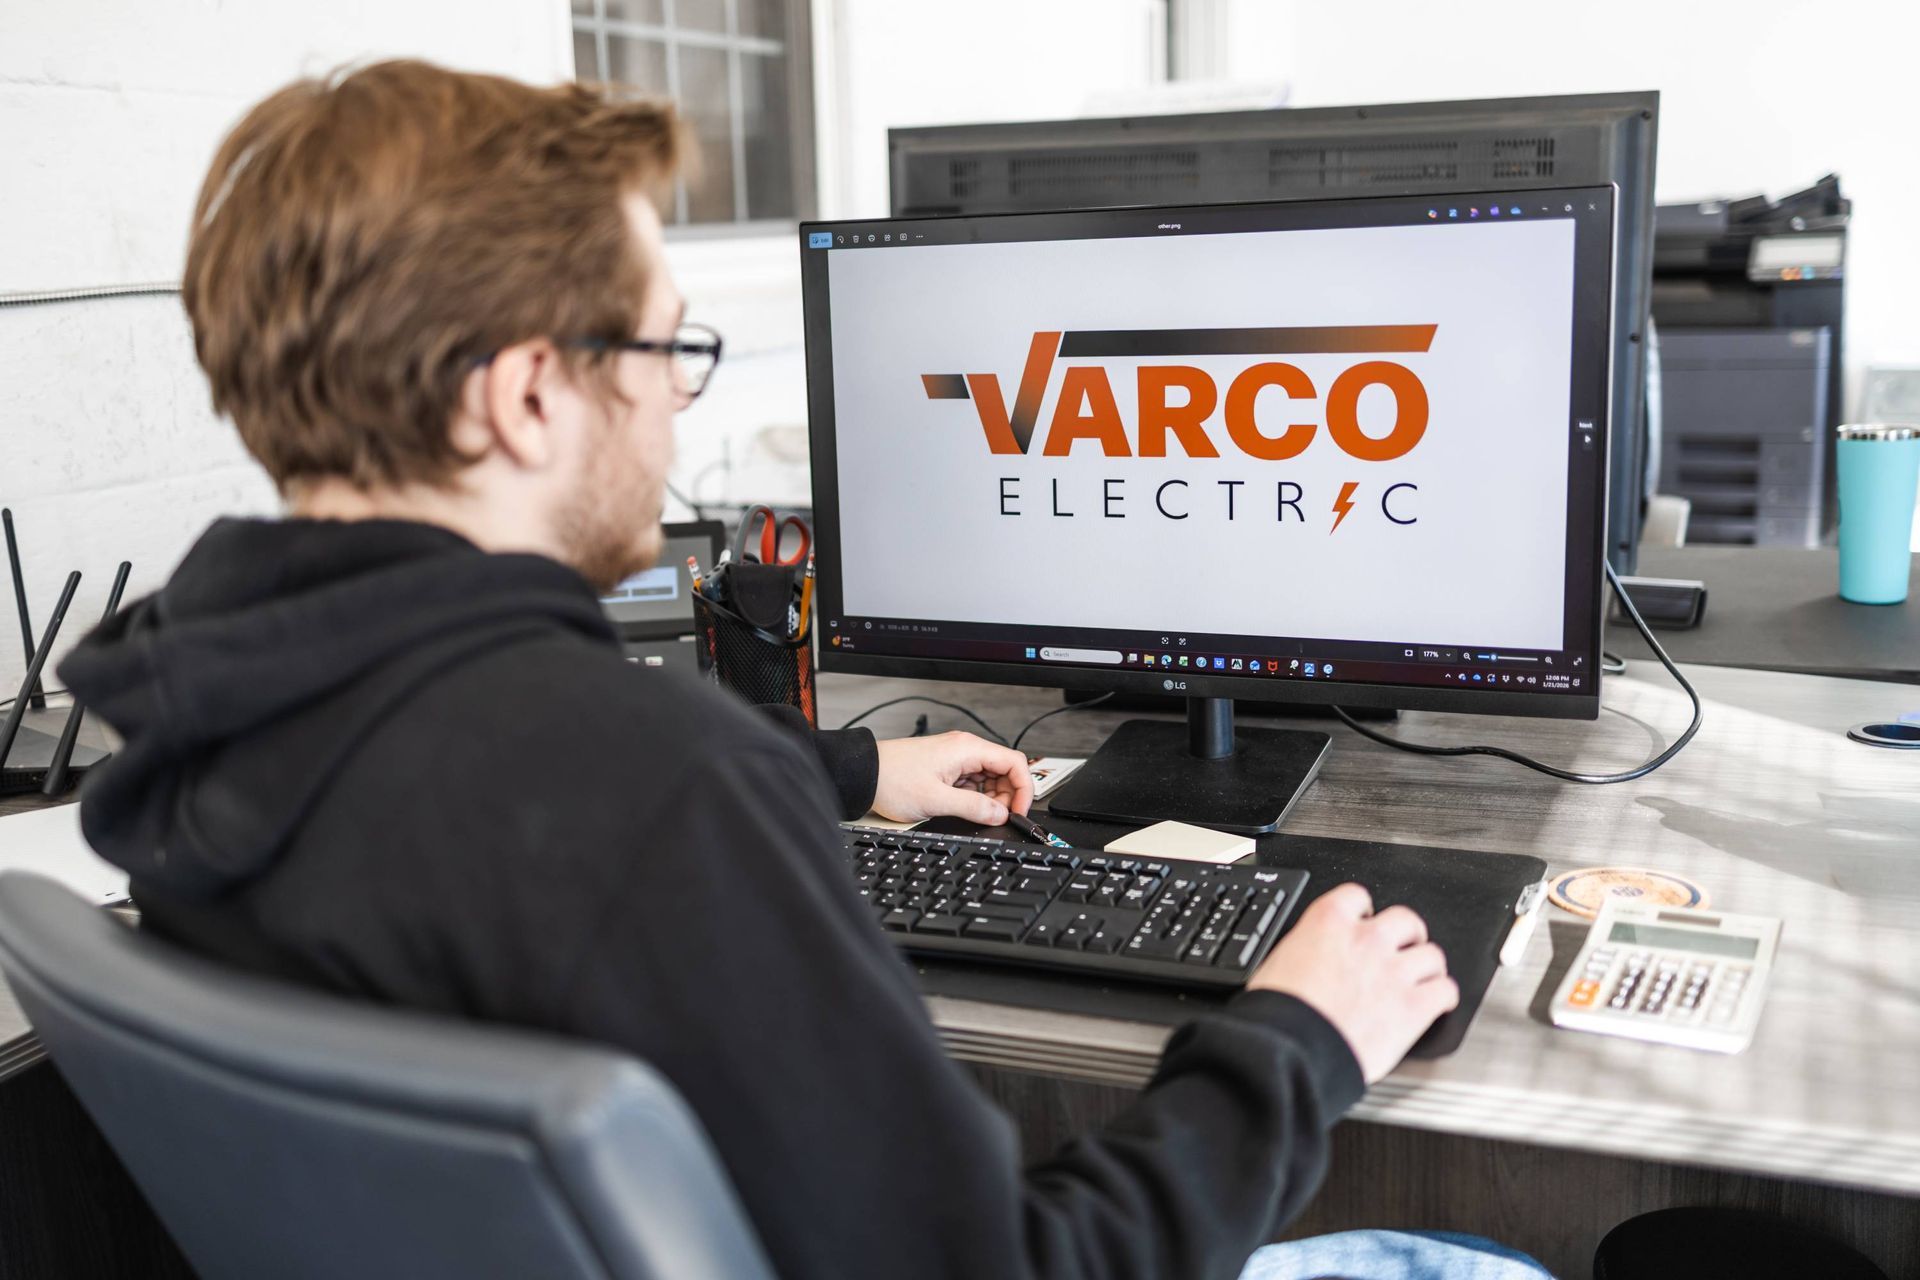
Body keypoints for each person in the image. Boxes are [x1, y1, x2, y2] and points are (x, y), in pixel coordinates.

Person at [60, 61, 1546, 1280]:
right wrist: (1295, 1041)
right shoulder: (651, 796)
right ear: (525, 394)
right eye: (659, 352)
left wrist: (831, 771)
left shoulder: (196, 715)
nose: (672, 411)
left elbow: (477, 796)